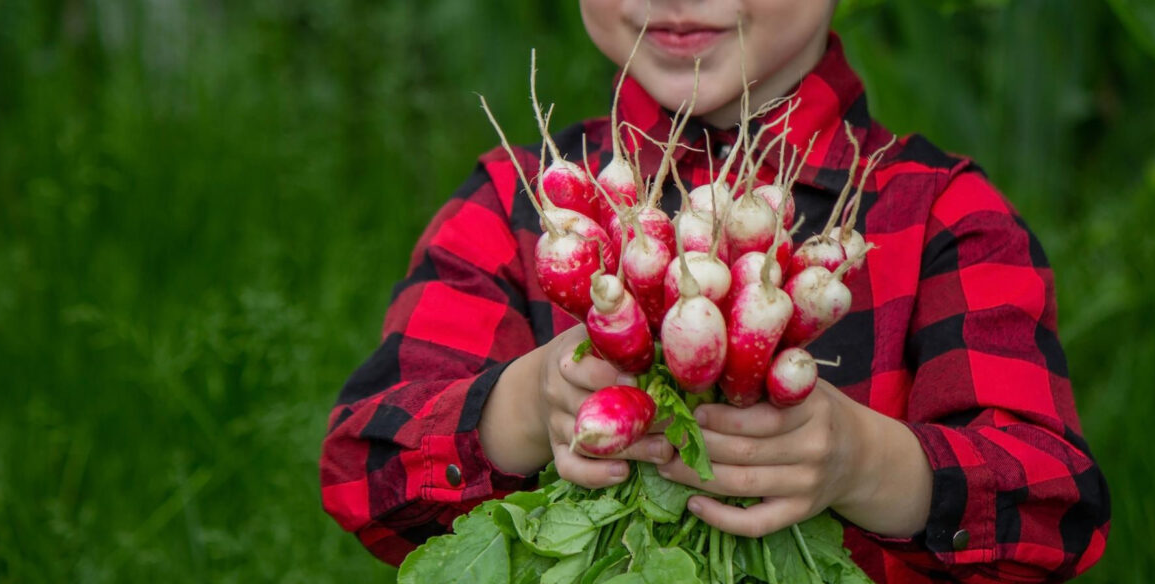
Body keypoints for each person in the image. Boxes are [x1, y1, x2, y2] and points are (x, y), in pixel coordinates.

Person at [319, 1, 1110, 581]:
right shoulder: (518, 202)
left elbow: (1056, 513)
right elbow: (362, 471)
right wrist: (524, 408)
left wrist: (867, 466)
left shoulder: (942, 214)